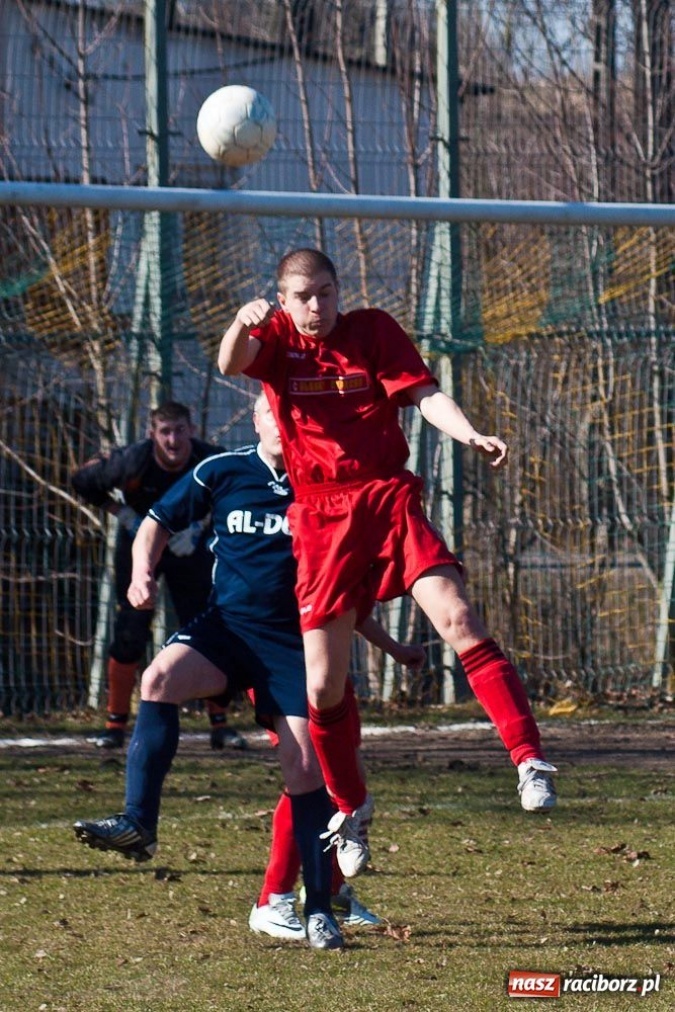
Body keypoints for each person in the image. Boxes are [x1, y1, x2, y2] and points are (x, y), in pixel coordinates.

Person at [218, 247, 558, 878]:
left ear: (337, 289)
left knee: (458, 618)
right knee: (322, 688)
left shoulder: (373, 330)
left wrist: (469, 433)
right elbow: (229, 361)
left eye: (325, 292)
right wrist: (242, 321)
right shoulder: (273, 339)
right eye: (302, 296)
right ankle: (353, 809)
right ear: (282, 299)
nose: (316, 306)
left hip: (386, 497)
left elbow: (425, 394)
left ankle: (529, 758)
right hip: (320, 517)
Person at [74, 394, 346, 948]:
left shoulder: (324, 480)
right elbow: (155, 521)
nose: (282, 422)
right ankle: (138, 823)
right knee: (158, 679)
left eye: (292, 413)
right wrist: (140, 574)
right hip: (226, 628)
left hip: (293, 644)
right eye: (273, 412)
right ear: (257, 419)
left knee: (303, 771)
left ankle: (318, 908)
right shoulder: (221, 469)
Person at [71, 400, 246, 752]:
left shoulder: (211, 460)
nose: (173, 440)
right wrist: (122, 514)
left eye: (180, 430)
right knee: (131, 628)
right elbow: (82, 480)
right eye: (165, 432)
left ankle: (221, 725)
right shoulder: (131, 461)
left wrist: (201, 526)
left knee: (208, 627)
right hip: (140, 549)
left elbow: (233, 495)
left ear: (192, 431)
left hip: (189, 549)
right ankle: (115, 724)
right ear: (152, 434)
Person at [249, 623, 426, 939]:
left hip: (328, 665)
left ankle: (331, 888)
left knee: (346, 774)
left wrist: (394, 648)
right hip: (281, 661)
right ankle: (271, 899)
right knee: (311, 771)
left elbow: (346, 603)